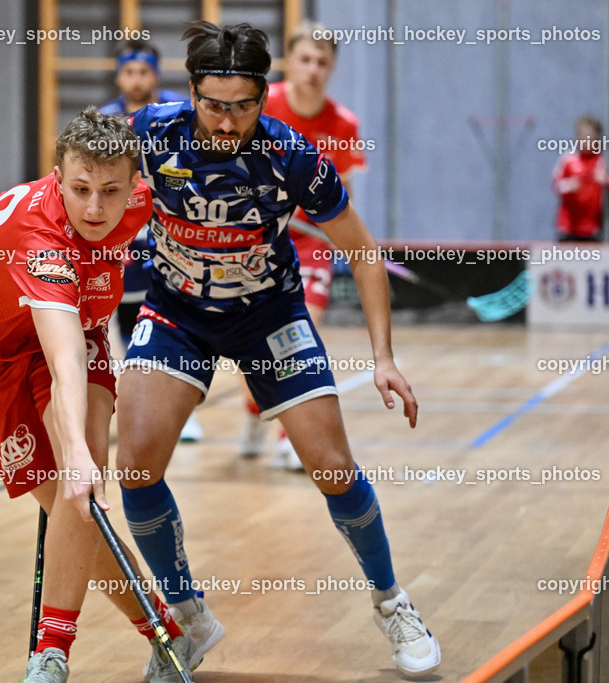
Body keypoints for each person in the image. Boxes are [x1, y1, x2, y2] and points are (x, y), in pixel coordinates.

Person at [115, 22, 441, 678]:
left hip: (269, 316)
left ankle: (392, 601)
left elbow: (363, 252)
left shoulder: (293, 155)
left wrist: (382, 357)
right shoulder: (151, 132)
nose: (227, 120)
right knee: (136, 462)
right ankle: (188, 616)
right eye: (213, 103)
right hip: (177, 312)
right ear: (191, 90)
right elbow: (71, 183)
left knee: (330, 466)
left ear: (265, 96)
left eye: (241, 105)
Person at [0, 108, 195, 683]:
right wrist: (75, 458)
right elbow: (61, 363)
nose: (94, 210)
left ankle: (49, 656)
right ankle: (170, 628)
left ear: (134, 184)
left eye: (110, 192)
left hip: (79, 326)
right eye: (79, 190)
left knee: (77, 502)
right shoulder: (39, 237)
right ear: (57, 178)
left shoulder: (143, 196)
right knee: (68, 495)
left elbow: (78, 348)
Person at [236, 20, 370, 469]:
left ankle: (286, 435)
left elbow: (343, 193)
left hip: (310, 244)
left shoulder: (343, 123)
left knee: (297, 331)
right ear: (289, 62)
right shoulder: (261, 105)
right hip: (255, 235)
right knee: (250, 341)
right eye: (305, 60)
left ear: (332, 68)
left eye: (322, 62)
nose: (313, 69)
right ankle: (255, 411)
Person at [101, 41, 203, 442]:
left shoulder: (177, 114)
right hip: (125, 238)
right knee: (130, 327)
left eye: (144, 72)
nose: (137, 80)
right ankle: (136, 412)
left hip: (171, 234)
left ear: (156, 74)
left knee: (176, 323)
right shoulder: (106, 121)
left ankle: (184, 413)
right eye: (130, 72)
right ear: (118, 76)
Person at [552, 114, 609, 242]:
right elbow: (555, 186)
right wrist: (569, 185)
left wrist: (606, 181)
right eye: (582, 135)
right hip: (568, 226)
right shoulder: (568, 159)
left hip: (594, 228)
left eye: (589, 135)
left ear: (597, 137)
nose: (584, 139)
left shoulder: (604, 162)